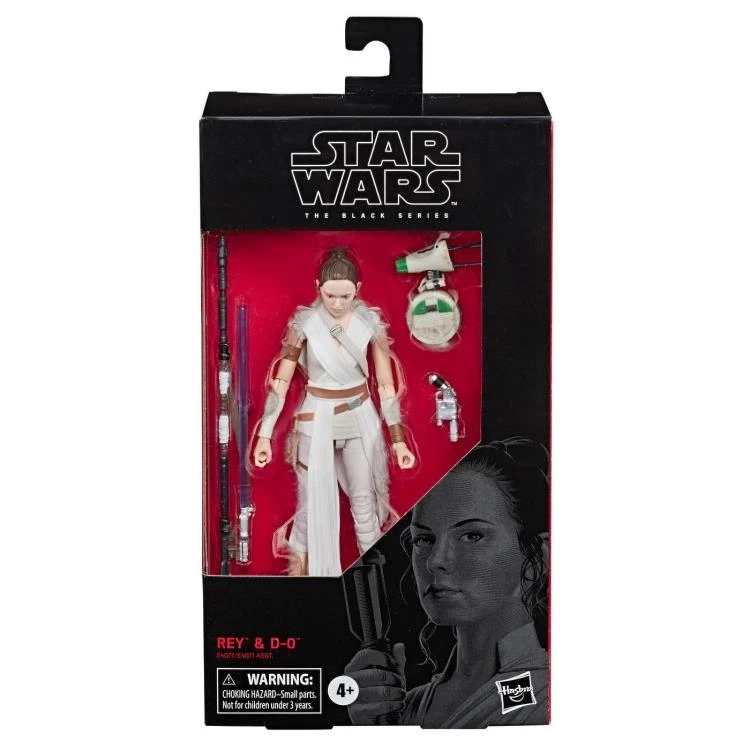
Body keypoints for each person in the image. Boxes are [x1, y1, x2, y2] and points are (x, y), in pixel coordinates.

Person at [345, 439, 549, 727]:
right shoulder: (409, 707)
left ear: (538, 557)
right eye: (424, 539)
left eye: (472, 536)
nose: (435, 561)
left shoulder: (547, 696)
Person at [251, 249, 416, 577]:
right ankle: (299, 584)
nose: (338, 303)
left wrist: (398, 439)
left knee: (365, 507)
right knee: (308, 511)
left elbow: (386, 386)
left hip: (359, 417)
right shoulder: (305, 325)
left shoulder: (370, 323)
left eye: (345, 296)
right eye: (330, 296)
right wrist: (265, 433)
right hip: (316, 418)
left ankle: (374, 585)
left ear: (358, 289)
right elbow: (281, 382)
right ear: (318, 287)